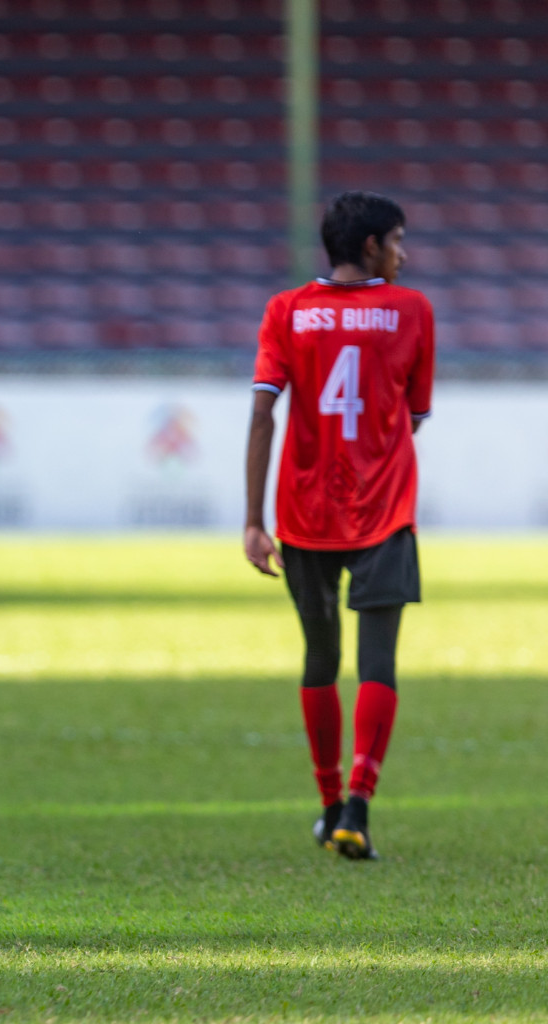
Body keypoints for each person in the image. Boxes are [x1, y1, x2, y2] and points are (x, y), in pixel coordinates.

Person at [244, 190, 434, 861]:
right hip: (384, 510)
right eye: (399, 242)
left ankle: (327, 806)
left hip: (304, 510)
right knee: (379, 661)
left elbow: (264, 414)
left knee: (321, 658)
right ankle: (358, 807)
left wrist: (252, 520)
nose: (404, 255)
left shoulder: (286, 311)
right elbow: (411, 416)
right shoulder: (412, 311)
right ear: (371, 247)